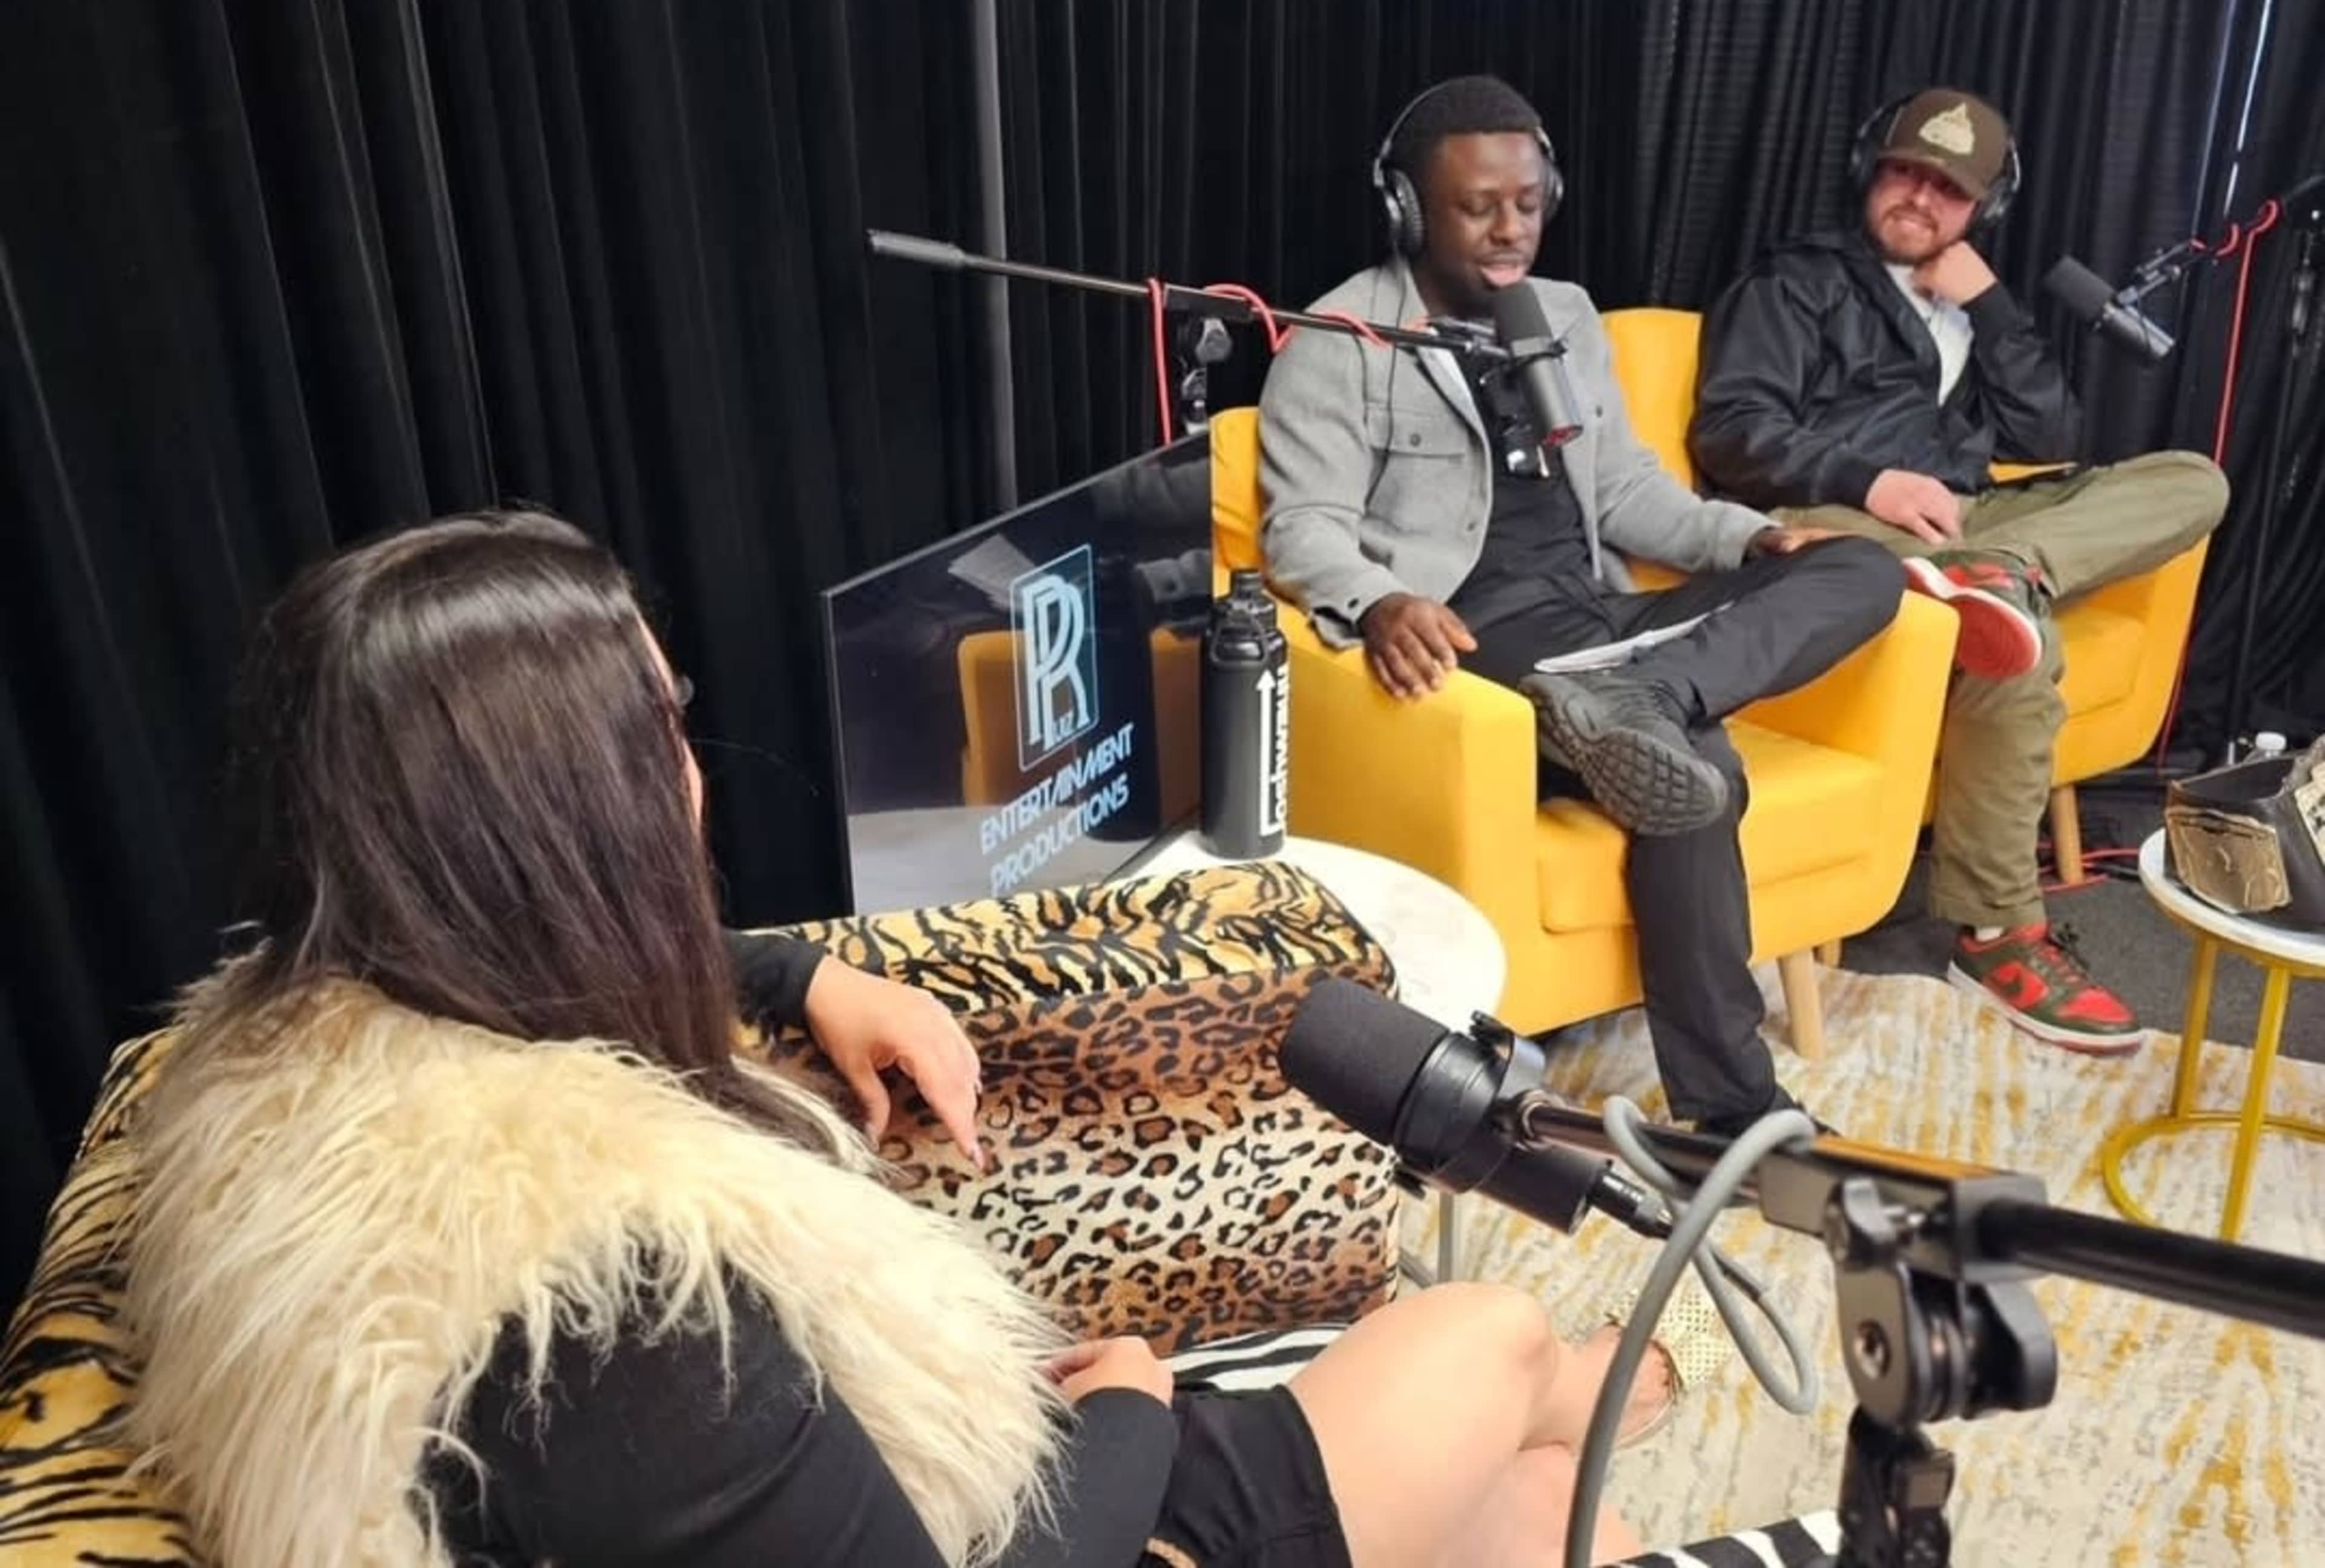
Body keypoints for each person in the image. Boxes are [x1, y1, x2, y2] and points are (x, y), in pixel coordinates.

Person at [122, 509, 1698, 1567]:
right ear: (568, 827)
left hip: (926, 1467)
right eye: (665, 732)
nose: (696, 767)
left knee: (1561, 1511)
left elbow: (524, 969)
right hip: (1015, 1518)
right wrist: (1137, 1402)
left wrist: (801, 973)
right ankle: (1568, 1375)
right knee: (1485, 1338)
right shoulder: (608, 1323)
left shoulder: (307, 1041)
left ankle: (1572, 1395)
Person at [1258, 77, 1905, 1137]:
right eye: (1479, 207)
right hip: (1490, 645)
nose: (1512, 227)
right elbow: (1304, 528)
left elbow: (1625, 493)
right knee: (1699, 778)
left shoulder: (1561, 315)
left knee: (1863, 570)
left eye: (1529, 200)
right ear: (1410, 210)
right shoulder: (1343, 341)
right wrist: (1377, 601)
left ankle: (1650, 692)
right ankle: (1736, 1112)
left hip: (1605, 626)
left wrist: (1752, 538)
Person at [1689, 88, 2230, 1054]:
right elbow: (1731, 430)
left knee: (2195, 479)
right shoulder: (1797, 283)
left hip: (1973, 518)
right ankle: (1995, 934)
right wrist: (1874, 480)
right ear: (1869, 170)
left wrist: (1986, 303)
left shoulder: (1967, 295)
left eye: (1948, 189)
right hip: (1842, 517)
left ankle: (1998, 571)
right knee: (2020, 653)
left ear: (1982, 209)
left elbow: (2049, 432)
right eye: (1906, 172)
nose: (1920, 199)